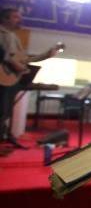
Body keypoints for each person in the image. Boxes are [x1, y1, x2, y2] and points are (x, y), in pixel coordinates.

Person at [0, 8, 60, 146]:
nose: (20, 19)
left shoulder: (14, 36)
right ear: (5, 19)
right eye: (16, 17)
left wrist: (46, 55)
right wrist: (14, 63)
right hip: (2, 79)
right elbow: (5, 56)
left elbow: (23, 60)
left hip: (9, 79)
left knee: (4, 112)